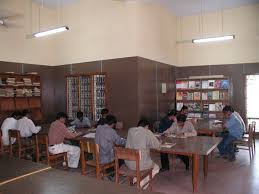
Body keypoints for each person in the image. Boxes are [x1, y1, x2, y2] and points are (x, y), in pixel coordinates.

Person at [125, 119, 160, 189]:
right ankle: (141, 184)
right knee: (156, 168)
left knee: (143, 162)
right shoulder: (147, 132)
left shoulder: (130, 131)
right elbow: (157, 145)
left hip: (128, 162)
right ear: (146, 126)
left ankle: (137, 179)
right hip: (140, 164)